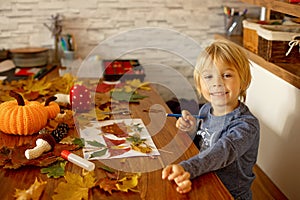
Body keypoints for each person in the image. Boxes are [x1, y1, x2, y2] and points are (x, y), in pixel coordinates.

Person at [162, 40, 260, 200]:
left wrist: (188, 167)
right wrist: (191, 129)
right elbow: (204, 141)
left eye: (227, 75)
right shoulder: (206, 110)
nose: (217, 83)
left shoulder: (246, 125)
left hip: (229, 194)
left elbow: (221, 151)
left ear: (243, 81)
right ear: (200, 85)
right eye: (208, 76)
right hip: (204, 177)